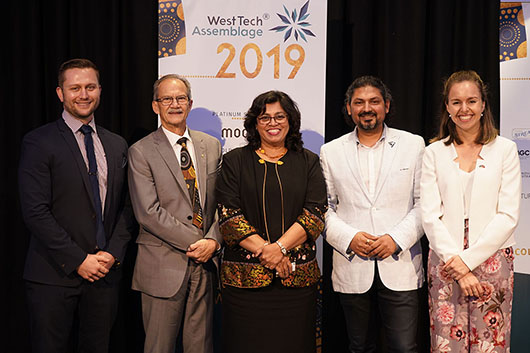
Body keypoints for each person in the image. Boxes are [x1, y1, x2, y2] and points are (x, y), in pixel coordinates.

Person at [18, 58, 132, 353]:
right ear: (60, 93)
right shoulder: (38, 142)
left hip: (104, 275)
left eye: (90, 87)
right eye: (75, 88)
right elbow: (35, 211)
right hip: (54, 275)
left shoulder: (117, 144)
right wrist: (79, 259)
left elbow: (128, 207)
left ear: (100, 90)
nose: (84, 94)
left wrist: (112, 253)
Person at [216, 90, 327, 353]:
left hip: (296, 283)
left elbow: (314, 214)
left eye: (279, 116)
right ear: (255, 123)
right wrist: (266, 251)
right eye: (265, 117)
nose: (273, 123)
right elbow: (229, 216)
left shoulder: (308, 161)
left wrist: (279, 249)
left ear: (291, 121)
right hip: (244, 286)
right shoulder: (234, 161)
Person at [320, 76, 425, 352]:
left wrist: (395, 239)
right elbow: (324, 208)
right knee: (359, 347)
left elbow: (424, 203)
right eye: (359, 102)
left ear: (386, 106)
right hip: (352, 263)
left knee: (403, 347)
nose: (367, 108)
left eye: (374, 101)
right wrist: (350, 237)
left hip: (400, 263)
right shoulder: (330, 151)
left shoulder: (413, 145)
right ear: (349, 108)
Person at [421, 70, 521, 352]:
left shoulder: (505, 150)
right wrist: (459, 266)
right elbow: (429, 215)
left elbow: (508, 215)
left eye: (471, 101)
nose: (464, 109)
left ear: (483, 105)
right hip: (445, 257)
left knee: (490, 341)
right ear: (447, 107)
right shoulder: (433, 153)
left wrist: (468, 260)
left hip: (493, 255)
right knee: (446, 342)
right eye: (456, 102)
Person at [128, 74, 222, 353]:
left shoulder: (211, 145)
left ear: (190, 103)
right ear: (155, 106)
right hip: (162, 265)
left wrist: (214, 241)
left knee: (200, 347)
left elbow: (221, 204)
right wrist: (199, 243)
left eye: (180, 98)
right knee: (159, 347)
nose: (174, 104)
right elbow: (148, 212)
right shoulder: (141, 151)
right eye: (166, 99)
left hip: (205, 266)